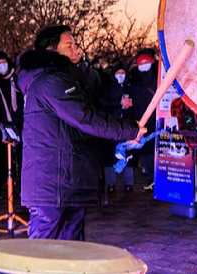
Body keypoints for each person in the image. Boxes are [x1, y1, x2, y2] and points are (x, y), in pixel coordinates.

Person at [17, 25, 145, 240]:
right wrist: (129, 129)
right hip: (52, 185)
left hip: (69, 181)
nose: (77, 50)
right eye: (70, 46)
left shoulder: (68, 79)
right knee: (41, 253)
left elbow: (96, 101)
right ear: (50, 50)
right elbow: (85, 117)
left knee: (72, 252)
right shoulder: (50, 82)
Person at [0, 51, 24, 200]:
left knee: (21, 155)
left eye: (4, 62)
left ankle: (21, 185)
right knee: (1, 156)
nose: (2, 66)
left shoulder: (17, 79)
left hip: (19, 121)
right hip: (1, 122)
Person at [98, 61, 135, 192]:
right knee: (109, 155)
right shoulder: (107, 87)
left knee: (128, 154)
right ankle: (111, 183)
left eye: (123, 73)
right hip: (111, 127)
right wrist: (118, 103)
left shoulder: (131, 87)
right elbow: (102, 103)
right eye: (118, 73)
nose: (121, 76)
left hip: (127, 126)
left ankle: (128, 183)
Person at [127, 49, 158, 192]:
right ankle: (151, 178)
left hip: (156, 119)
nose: (144, 65)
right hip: (141, 120)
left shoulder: (158, 77)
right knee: (144, 150)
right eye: (141, 63)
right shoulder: (133, 79)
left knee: (156, 149)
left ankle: (157, 179)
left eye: (147, 62)